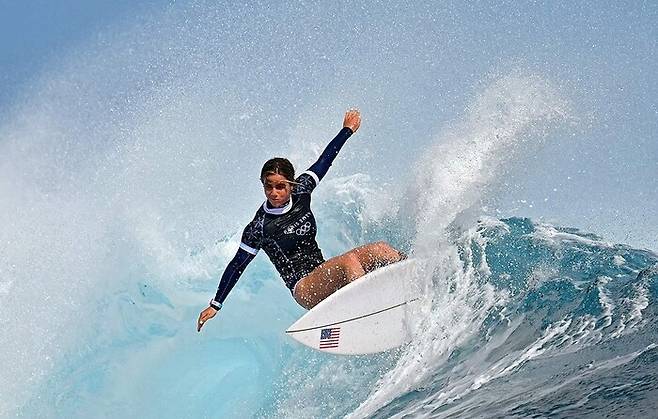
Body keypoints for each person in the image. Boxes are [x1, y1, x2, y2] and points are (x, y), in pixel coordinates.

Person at [197, 109, 405, 332]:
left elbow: (325, 160)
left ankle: (414, 277)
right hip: (304, 287)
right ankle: (369, 315)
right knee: (348, 263)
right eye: (269, 186)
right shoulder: (259, 228)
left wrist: (347, 130)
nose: (274, 192)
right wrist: (216, 304)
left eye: (280, 186)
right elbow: (237, 264)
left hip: (324, 271)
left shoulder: (303, 190)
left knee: (382, 250)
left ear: (291, 184)